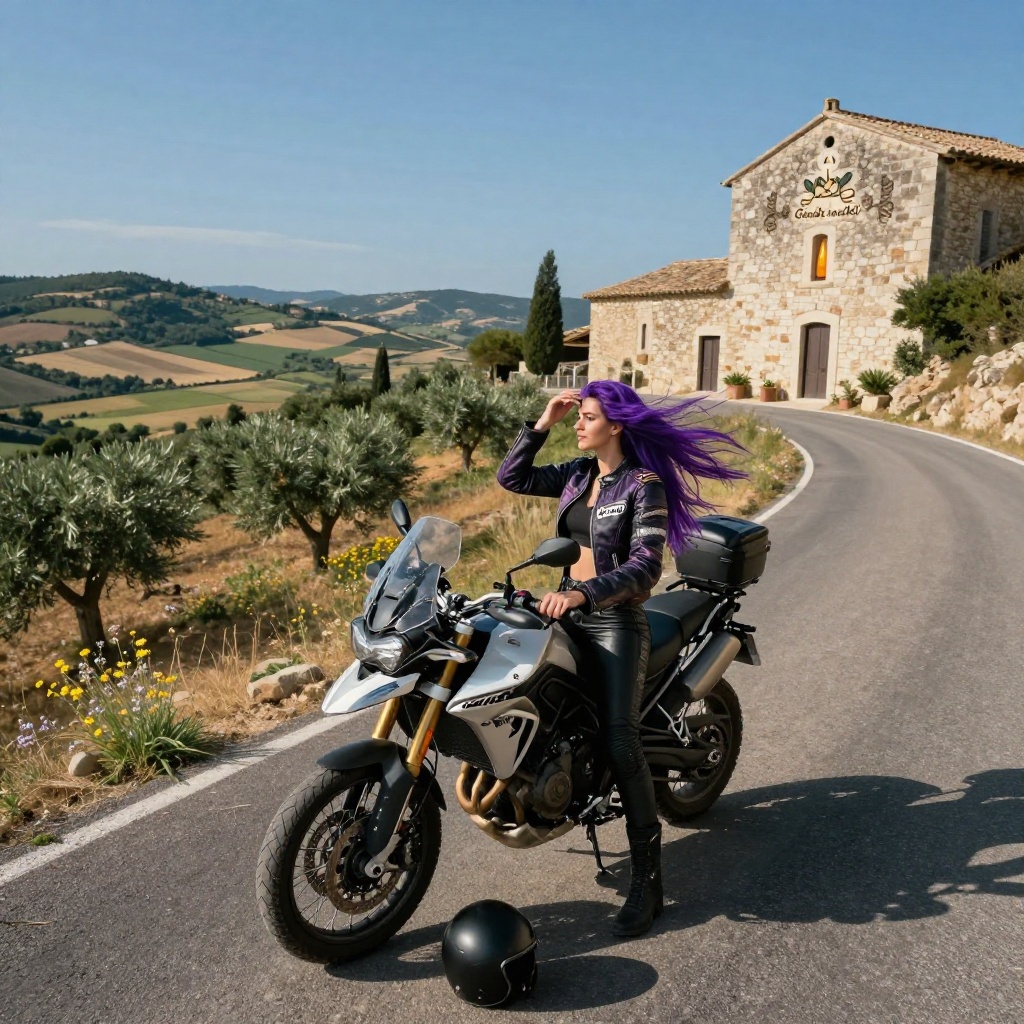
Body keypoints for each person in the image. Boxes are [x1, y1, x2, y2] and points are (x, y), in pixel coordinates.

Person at [497, 380, 744, 936]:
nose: (579, 424)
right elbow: (511, 477)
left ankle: (648, 882)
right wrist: (543, 421)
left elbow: (645, 568)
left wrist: (586, 592)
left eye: (586, 417)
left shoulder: (643, 485)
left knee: (619, 739)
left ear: (617, 426)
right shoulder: (579, 476)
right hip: (563, 613)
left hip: (613, 621)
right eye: (577, 416)